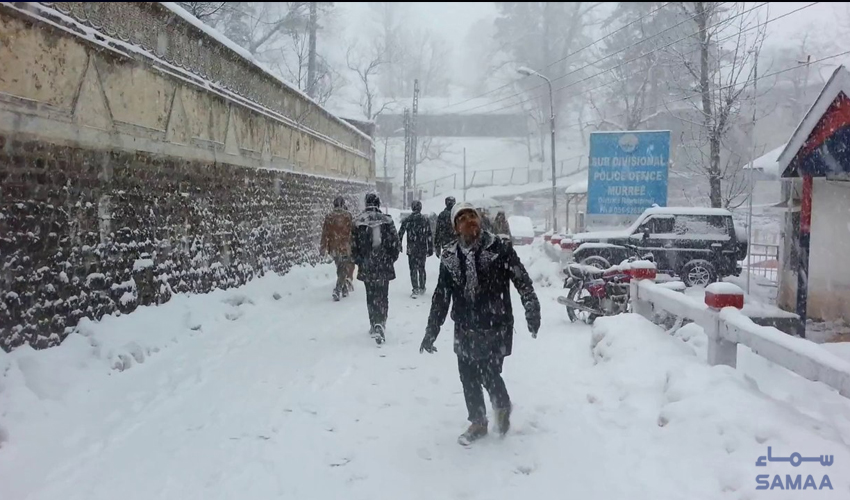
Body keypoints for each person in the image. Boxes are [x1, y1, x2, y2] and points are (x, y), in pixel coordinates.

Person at [419, 202, 541, 445]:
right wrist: (431, 330)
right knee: (467, 375)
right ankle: (478, 421)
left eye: (471, 215)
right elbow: (441, 297)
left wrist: (532, 308)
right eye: (462, 218)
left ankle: (502, 406)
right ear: (456, 227)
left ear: (479, 219)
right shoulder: (450, 256)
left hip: (495, 323)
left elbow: (522, 281)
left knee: (489, 373)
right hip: (465, 325)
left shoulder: (499, 248)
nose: (468, 221)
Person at [351, 193, 401, 343]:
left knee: (370, 295)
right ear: (378, 204)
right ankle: (381, 321)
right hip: (384, 264)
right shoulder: (387, 220)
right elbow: (395, 243)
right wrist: (390, 258)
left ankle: (373, 323)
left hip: (367, 264)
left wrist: (360, 260)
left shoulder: (359, 221)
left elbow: (353, 246)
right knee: (383, 294)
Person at [320, 196, 354, 301]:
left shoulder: (329, 217)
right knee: (343, 268)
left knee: (340, 268)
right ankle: (338, 290)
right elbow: (352, 231)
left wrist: (323, 247)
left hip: (333, 247)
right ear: (343, 204)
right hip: (345, 246)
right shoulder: (348, 216)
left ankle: (344, 289)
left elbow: (325, 233)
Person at [398, 200, 434, 297]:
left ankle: (415, 288)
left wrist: (399, 244)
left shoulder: (408, 219)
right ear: (420, 208)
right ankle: (422, 287)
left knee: (413, 269)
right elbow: (429, 234)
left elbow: (400, 233)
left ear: (412, 208)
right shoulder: (425, 220)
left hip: (411, 247)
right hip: (422, 247)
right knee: (422, 268)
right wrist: (430, 247)